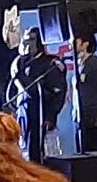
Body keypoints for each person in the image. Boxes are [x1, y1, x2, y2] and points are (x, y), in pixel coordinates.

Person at [9, 29, 65, 163]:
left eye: (32, 39)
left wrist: (51, 116)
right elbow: (11, 89)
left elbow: (58, 93)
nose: (28, 43)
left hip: (40, 114)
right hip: (23, 113)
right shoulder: (19, 63)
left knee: (38, 154)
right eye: (26, 39)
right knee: (22, 152)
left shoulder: (50, 63)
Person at [71, 33, 97, 154]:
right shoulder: (78, 64)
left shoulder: (96, 64)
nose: (71, 45)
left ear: (85, 44)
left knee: (92, 154)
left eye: (76, 41)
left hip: (93, 116)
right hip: (79, 117)